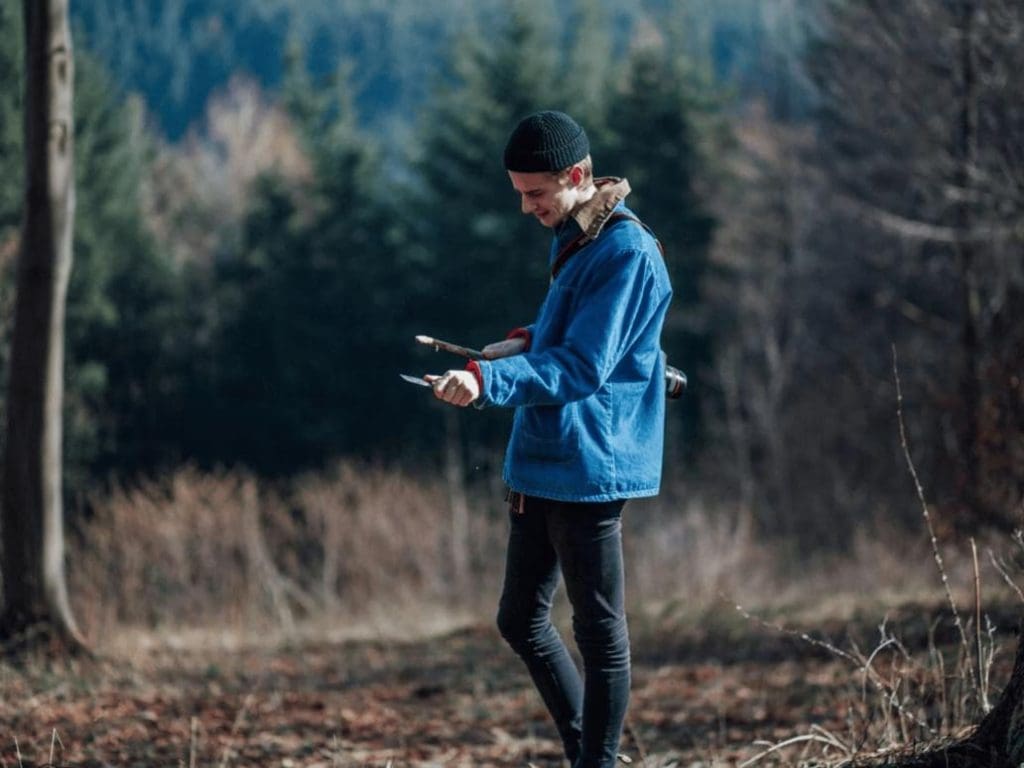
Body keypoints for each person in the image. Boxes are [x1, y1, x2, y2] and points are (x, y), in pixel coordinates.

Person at [428, 110, 673, 768]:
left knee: (599, 633)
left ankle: (598, 762)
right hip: (544, 456)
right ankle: (586, 755)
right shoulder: (573, 234)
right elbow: (563, 336)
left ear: (578, 176)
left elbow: (583, 368)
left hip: (592, 461)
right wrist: (520, 343)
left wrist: (489, 380)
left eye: (535, 193)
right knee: (520, 619)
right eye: (518, 193)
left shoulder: (626, 251)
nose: (526, 207)